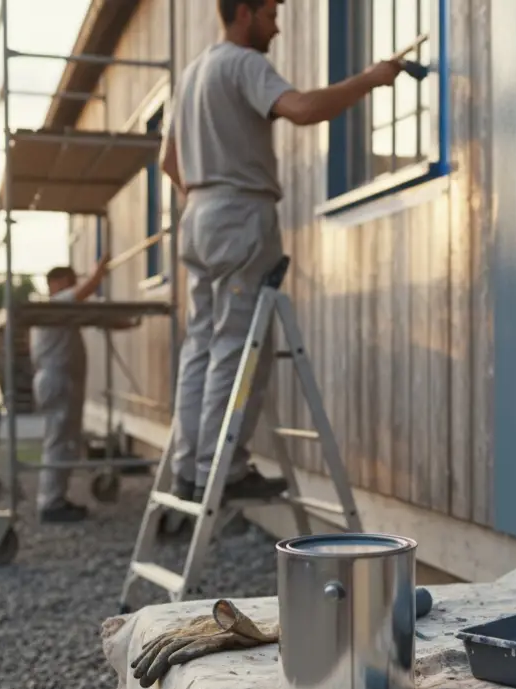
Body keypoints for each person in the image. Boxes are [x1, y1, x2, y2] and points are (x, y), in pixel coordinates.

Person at [160, 0, 402, 503]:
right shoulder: (243, 63)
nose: (277, 25)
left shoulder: (191, 74)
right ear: (244, 12)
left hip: (198, 214)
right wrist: (371, 79)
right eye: (270, 14)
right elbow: (303, 110)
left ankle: (189, 467)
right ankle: (219, 472)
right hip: (238, 213)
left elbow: (167, 161)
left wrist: (208, 193)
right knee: (238, 343)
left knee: (201, 345)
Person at [31, 254, 112, 522]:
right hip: (57, 380)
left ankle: (57, 498)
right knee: (58, 441)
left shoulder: (61, 312)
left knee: (64, 442)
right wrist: (99, 270)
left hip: (61, 381)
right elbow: (85, 291)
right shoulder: (56, 304)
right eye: (70, 281)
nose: (75, 286)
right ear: (56, 283)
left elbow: (98, 319)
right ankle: (51, 503)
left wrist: (131, 323)